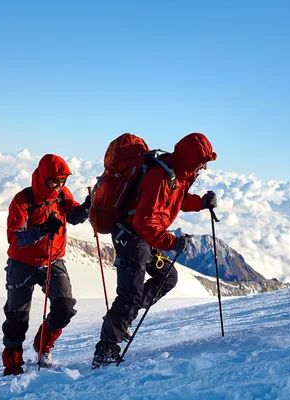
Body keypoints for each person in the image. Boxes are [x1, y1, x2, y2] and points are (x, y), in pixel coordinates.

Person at [92, 132, 218, 367]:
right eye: (202, 163)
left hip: (142, 236)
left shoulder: (178, 174)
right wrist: (173, 242)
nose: (204, 168)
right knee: (130, 294)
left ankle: (123, 321)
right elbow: (144, 222)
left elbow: (175, 202)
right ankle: (106, 349)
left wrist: (200, 202)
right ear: (191, 159)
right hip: (131, 236)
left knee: (166, 277)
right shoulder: (161, 176)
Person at [1, 154, 90, 376]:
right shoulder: (22, 200)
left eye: (63, 182)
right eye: (55, 181)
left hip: (53, 259)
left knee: (64, 307)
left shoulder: (62, 195)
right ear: (43, 178)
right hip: (22, 262)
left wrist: (87, 207)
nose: (59, 186)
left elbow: (74, 215)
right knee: (16, 318)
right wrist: (41, 230)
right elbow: (16, 238)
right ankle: (13, 366)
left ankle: (43, 346)